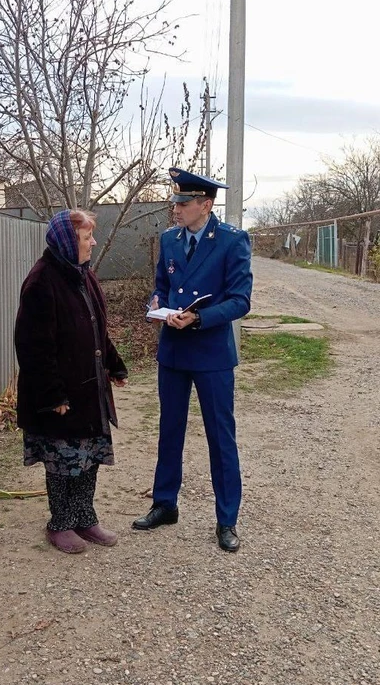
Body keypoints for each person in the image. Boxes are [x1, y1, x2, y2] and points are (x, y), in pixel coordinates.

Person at [132, 167, 253, 552]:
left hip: (212, 353)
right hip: (173, 351)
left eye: (184, 203)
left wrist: (200, 317)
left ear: (206, 204)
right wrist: (157, 304)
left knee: (221, 437)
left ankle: (226, 520)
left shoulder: (232, 241)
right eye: (175, 202)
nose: (176, 209)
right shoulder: (169, 240)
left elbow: (240, 300)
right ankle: (165, 504)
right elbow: (163, 287)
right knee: (169, 430)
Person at [15, 209, 128, 554]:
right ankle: (60, 523)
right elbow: (33, 347)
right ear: (67, 241)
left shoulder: (83, 275)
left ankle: (84, 517)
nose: (92, 242)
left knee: (89, 458)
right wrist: (53, 396)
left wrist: (114, 364)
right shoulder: (42, 281)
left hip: (89, 388)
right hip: (61, 395)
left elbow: (96, 329)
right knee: (63, 461)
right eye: (86, 237)